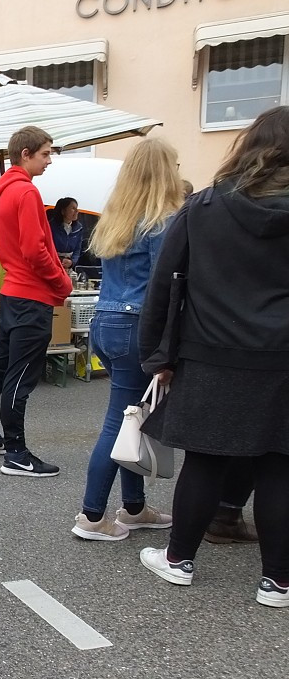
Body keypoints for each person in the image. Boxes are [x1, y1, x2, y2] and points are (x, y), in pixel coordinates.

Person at [138, 105, 289, 609]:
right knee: (280, 466)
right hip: (283, 357)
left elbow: (165, 284)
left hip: (209, 352)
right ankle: (277, 582)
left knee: (203, 460)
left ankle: (179, 559)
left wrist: (157, 353)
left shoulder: (204, 207)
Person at [69, 138, 182, 541]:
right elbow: (166, 288)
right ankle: (92, 516)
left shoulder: (117, 216)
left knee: (130, 418)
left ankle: (133, 508)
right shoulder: (162, 221)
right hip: (139, 326)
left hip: (107, 321)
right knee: (122, 419)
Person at [0, 126, 73, 477]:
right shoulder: (27, 193)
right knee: (20, 375)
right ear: (27, 153)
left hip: (13, 291)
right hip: (32, 293)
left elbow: (5, 248)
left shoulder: (2, 194)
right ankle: (16, 452)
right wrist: (62, 282)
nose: (49, 160)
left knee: (0, 366)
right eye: (46, 153)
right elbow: (36, 248)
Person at [49, 197, 83, 269]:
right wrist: (60, 260)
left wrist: (72, 262)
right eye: (73, 208)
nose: (77, 211)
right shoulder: (50, 227)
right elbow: (48, 248)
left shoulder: (79, 228)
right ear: (63, 211)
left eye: (77, 208)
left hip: (69, 266)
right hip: (52, 264)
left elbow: (77, 250)